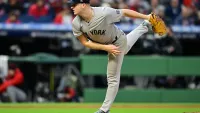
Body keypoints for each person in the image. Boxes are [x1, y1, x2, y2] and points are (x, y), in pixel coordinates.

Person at [69, 0, 167, 113]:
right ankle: (144, 26)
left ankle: (104, 110)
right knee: (125, 48)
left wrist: (147, 16)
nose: (71, 7)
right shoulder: (76, 23)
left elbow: (124, 12)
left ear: (83, 4)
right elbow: (85, 42)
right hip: (109, 45)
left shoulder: (103, 13)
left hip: (117, 42)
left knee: (112, 78)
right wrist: (105, 48)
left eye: (74, 4)